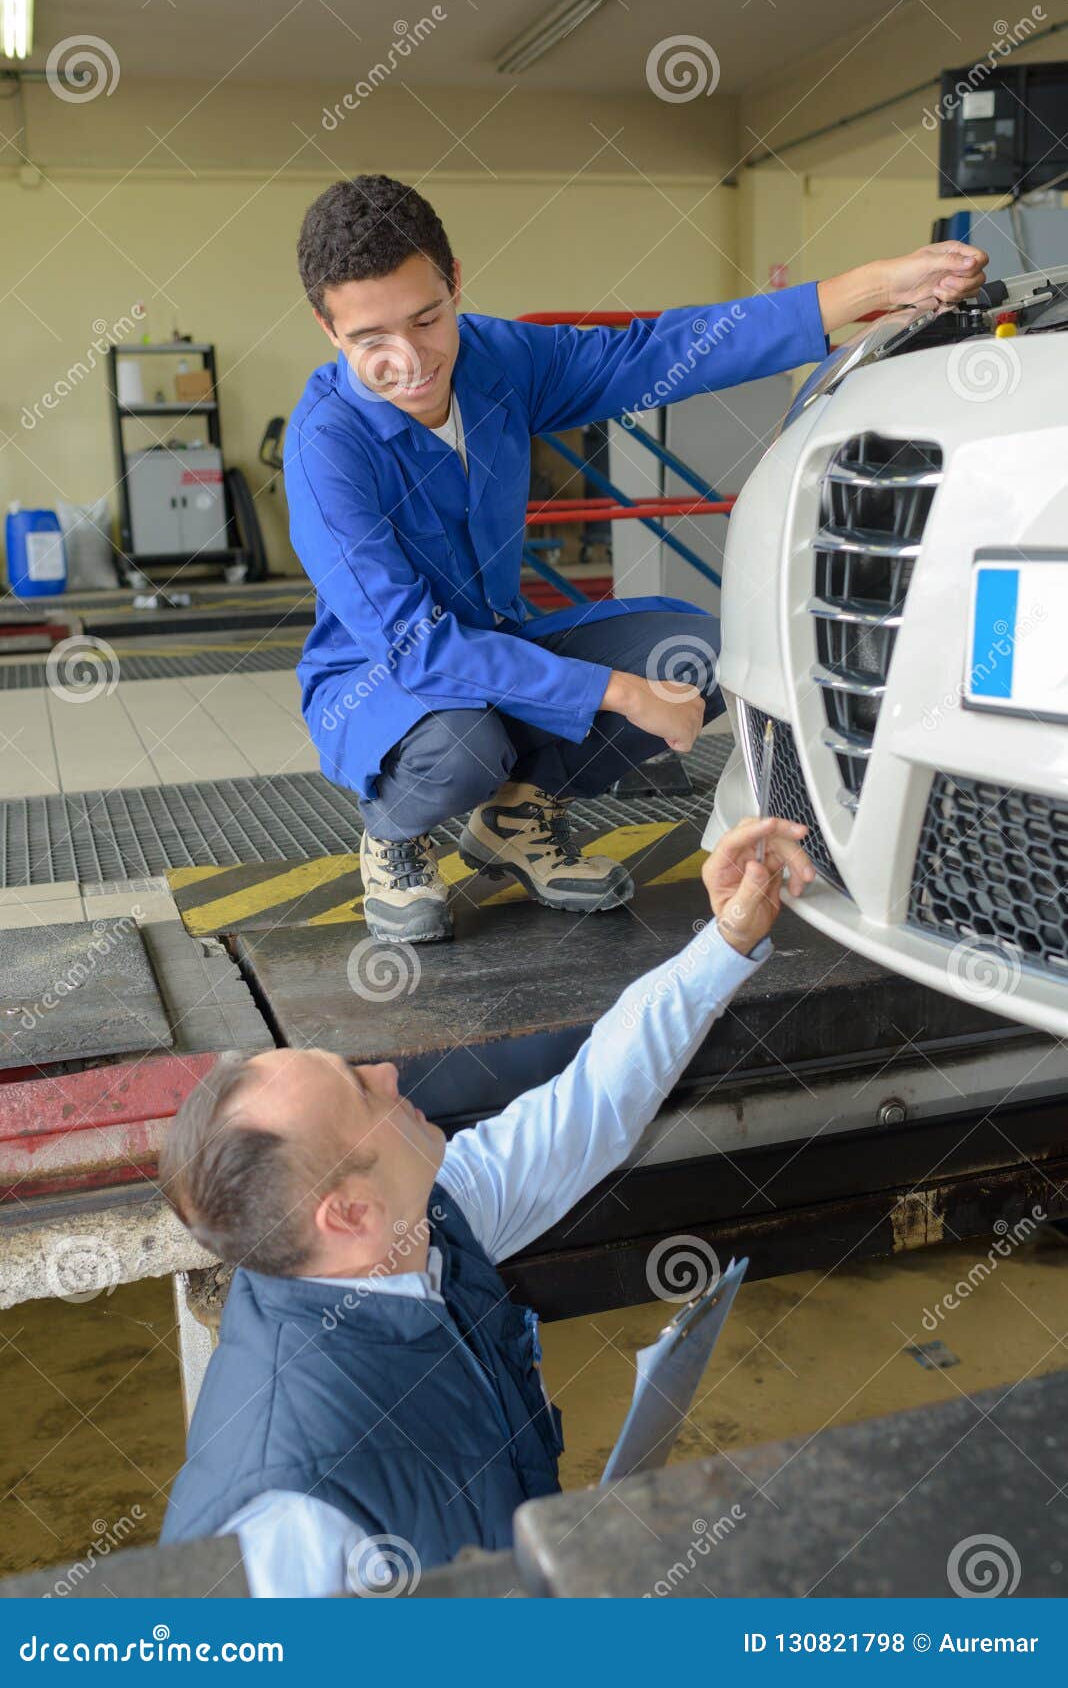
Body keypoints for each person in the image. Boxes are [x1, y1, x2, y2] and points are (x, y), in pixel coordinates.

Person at [285, 173, 988, 943]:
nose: (411, 360)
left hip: (500, 641)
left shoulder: (495, 360)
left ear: (455, 284)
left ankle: (514, 820)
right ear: (329, 329)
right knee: (463, 746)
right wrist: (617, 691)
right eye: (369, 341)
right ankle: (393, 834)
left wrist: (873, 287)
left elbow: (657, 353)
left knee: (700, 654)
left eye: (427, 319)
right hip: (384, 684)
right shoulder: (327, 446)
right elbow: (418, 646)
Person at [158, 815, 815, 1596]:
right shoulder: (287, 1515)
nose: (390, 1075)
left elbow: (594, 1103)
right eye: (358, 1091)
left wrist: (727, 937)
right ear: (350, 1215)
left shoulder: (424, 1224)